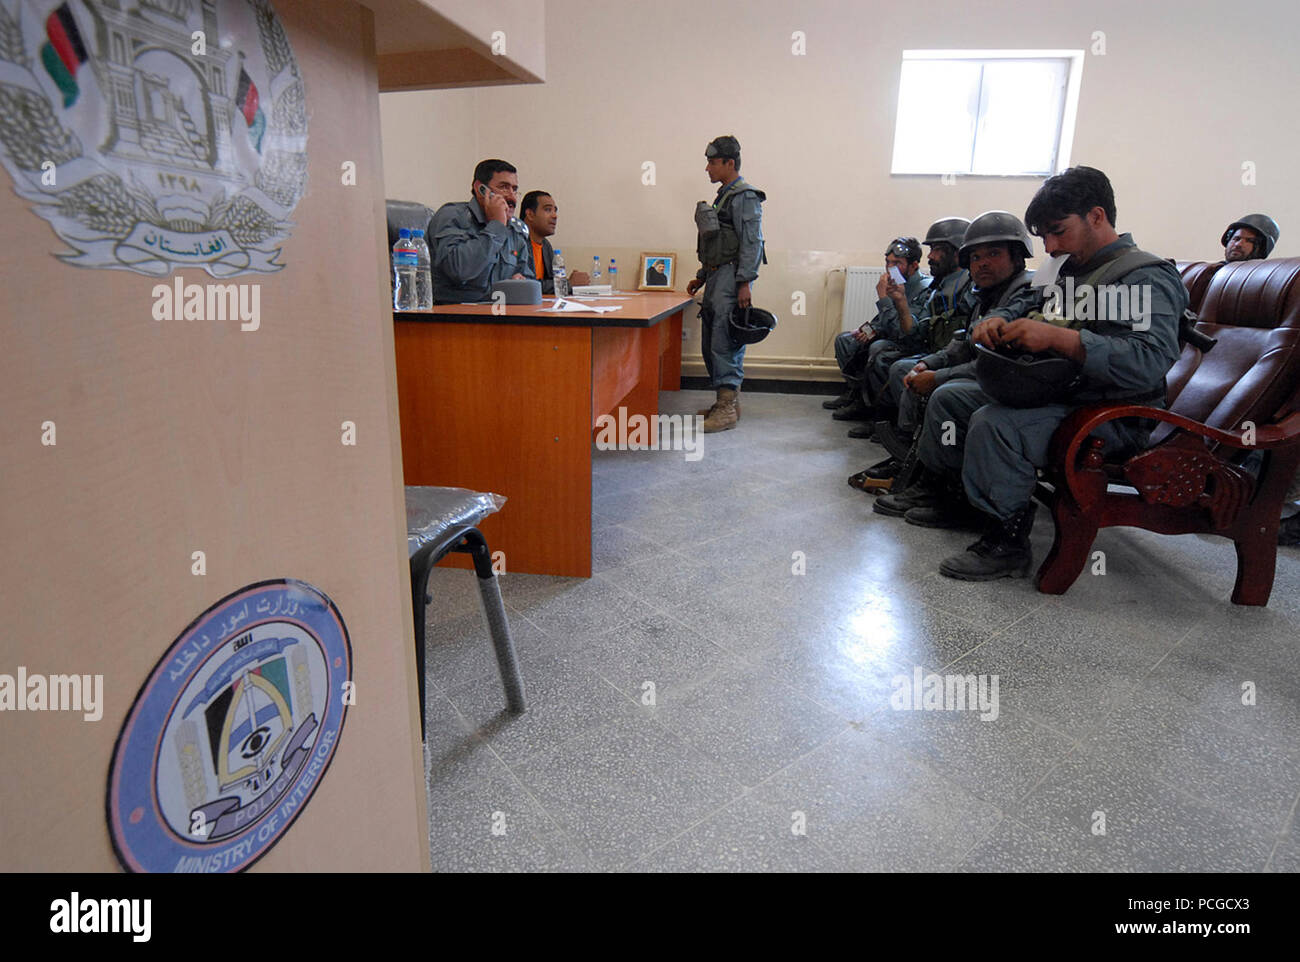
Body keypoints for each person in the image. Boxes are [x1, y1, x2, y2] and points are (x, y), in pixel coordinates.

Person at [886, 167, 1189, 580]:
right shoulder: (1064, 269)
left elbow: (1148, 360)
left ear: (1097, 216)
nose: (1049, 245)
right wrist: (995, 321)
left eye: (1058, 231)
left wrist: (1058, 339)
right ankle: (957, 499)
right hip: (1061, 393)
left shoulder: (1141, 276)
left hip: (1113, 413)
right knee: (953, 399)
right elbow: (1023, 301)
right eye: (1044, 235)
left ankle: (1007, 540)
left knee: (994, 423)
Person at [848, 217, 972, 488]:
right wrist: (900, 303)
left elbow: (959, 341)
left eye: (938, 249)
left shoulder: (966, 286)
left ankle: (911, 448)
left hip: (951, 358)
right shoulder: (941, 285)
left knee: (899, 365)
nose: (932, 256)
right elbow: (913, 330)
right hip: (935, 351)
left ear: (958, 251)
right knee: (875, 350)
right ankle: (906, 446)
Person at [686, 135, 766, 433]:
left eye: (712, 162)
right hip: (718, 276)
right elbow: (719, 242)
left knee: (724, 340)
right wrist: (703, 276)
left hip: (732, 278)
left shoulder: (745, 195)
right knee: (712, 340)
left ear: (729, 163)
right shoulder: (725, 195)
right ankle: (726, 402)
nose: (707, 168)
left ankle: (727, 407)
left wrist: (745, 282)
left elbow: (751, 242)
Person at [825, 238, 932, 437]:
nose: (890, 268)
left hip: (909, 343)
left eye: (897, 263)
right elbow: (883, 320)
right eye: (888, 262)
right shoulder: (896, 282)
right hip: (890, 335)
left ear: (914, 265)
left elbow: (903, 331)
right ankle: (858, 397)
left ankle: (881, 416)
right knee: (846, 340)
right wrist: (869, 329)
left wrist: (883, 299)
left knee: (878, 349)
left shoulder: (923, 289)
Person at [428, 159, 535, 303]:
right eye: (504, 187)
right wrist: (496, 225)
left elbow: (529, 280)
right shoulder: (453, 217)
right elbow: (459, 270)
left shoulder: (516, 230)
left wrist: (521, 282)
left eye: (514, 189)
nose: (512, 197)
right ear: (481, 189)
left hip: (499, 312)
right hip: (454, 315)